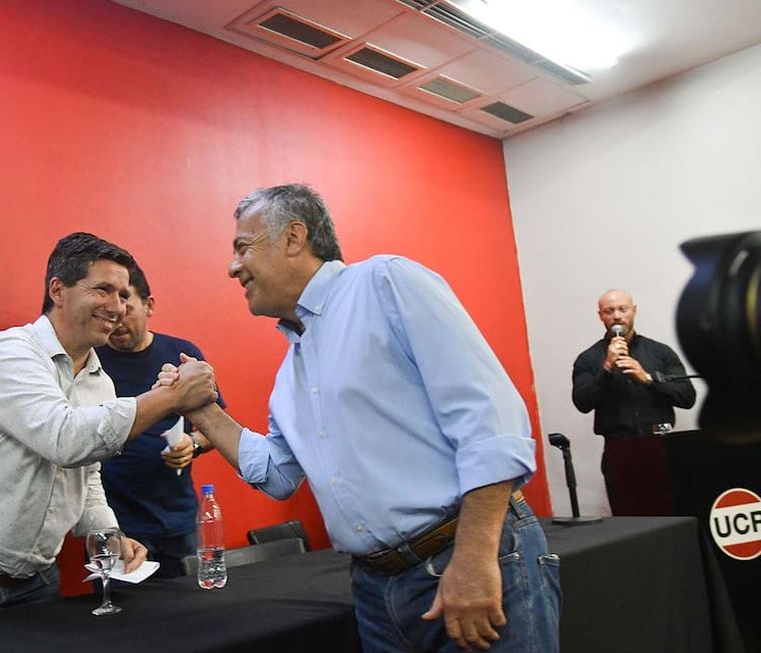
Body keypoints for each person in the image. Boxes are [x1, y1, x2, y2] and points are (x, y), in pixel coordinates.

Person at [164, 184, 560, 652]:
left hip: (466, 557)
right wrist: (199, 408)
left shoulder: (386, 283)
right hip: (376, 591)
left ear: (294, 238)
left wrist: (474, 560)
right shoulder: (292, 372)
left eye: (243, 247)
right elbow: (276, 473)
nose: (233, 267)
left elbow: (491, 426)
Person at [0, 232, 217, 626]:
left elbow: (86, 476)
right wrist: (169, 397)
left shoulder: (100, 382)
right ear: (58, 290)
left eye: (124, 295)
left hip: (33, 585)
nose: (117, 307)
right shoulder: (10, 352)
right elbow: (65, 439)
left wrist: (109, 536)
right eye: (104, 290)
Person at [95, 261, 225, 578]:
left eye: (127, 308)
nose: (117, 320)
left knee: (187, 612)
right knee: (122, 617)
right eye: (111, 313)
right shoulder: (91, 359)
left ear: (149, 305)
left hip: (177, 518)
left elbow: (218, 426)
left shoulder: (181, 354)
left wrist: (192, 444)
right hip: (116, 520)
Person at [572, 289, 696, 513]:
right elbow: (582, 402)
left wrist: (648, 379)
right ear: (601, 316)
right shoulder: (588, 359)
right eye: (610, 311)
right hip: (619, 451)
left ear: (634, 311)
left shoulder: (660, 352)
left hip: (662, 447)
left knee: (675, 515)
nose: (617, 316)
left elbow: (687, 397)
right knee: (630, 520)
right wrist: (607, 368)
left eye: (623, 309)